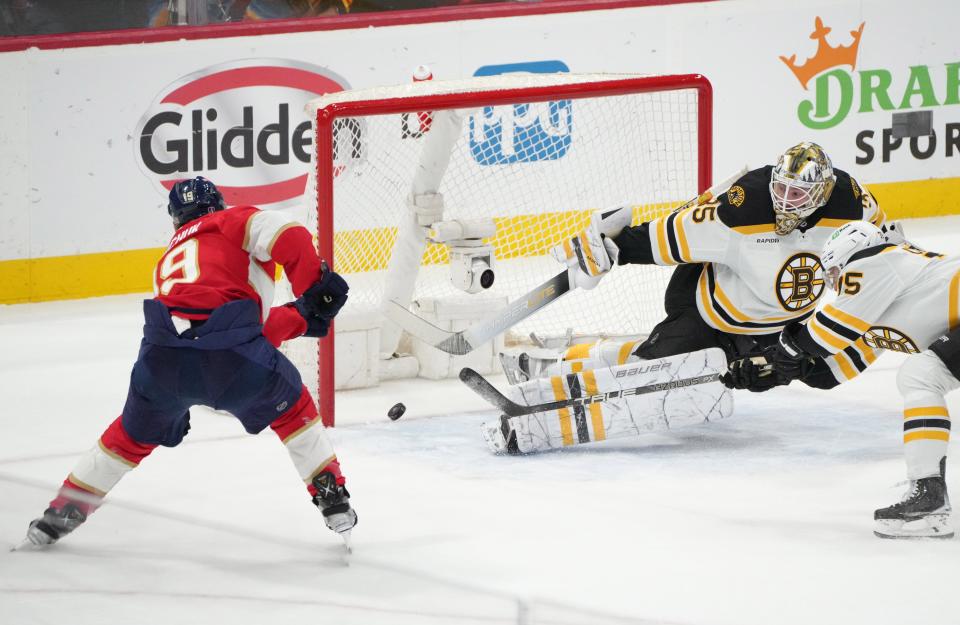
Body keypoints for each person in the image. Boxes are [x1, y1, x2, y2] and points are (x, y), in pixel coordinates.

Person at [22, 176, 356, 548]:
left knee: (128, 438)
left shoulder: (167, 260)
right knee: (293, 411)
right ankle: (330, 492)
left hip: (161, 363)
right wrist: (313, 289)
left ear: (175, 221)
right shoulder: (232, 222)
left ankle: (61, 512)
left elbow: (211, 325)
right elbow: (287, 232)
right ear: (219, 205)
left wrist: (298, 317)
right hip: (234, 362)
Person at [504, 142, 893, 394]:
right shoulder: (743, 208)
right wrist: (613, 248)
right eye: (781, 189)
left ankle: (576, 359)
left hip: (778, 329)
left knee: (818, 369)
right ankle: (551, 369)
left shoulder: (853, 208)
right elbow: (671, 235)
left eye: (797, 194)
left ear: (822, 193)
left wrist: (785, 370)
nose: (785, 202)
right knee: (649, 375)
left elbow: (890, 250)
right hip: (708, 313)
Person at [758, 220, 955, 539]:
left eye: (835, 273)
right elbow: (839, 365)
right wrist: (792, 370)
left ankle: (929, 498)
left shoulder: (876, 259)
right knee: (922, 374)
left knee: (921, 375)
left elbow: (829, 333)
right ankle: (928, 489)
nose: (836, 286)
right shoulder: (897, 290)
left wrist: (787, 347)